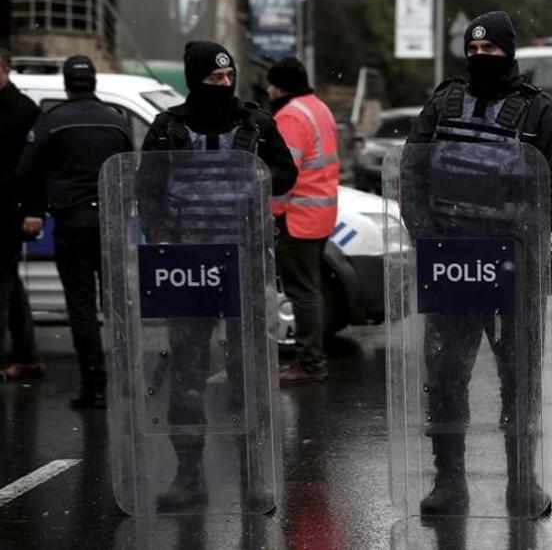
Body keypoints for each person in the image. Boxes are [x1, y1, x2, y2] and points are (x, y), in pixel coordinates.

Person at [406, 11, 552, 517]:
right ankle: (449, 484)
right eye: (473, 51)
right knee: (445, 378)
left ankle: (521, 484)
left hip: (513, 271)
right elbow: (412, 176)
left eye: (490, 51)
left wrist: (518, 238)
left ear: (510, 51)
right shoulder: (443, 105)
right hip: (451, 268)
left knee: (518, 381)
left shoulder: (542, 114)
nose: (481, 59)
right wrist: (431, 237)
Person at [140, 41, 297, 511]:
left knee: (247, 376)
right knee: (187, 374)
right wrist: (166, 242)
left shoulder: (255, 124)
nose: (223, 87)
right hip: (188, 269)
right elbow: (146, 193)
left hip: (242, 265)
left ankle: (253, 478)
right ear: (194, 80)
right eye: (213, 81)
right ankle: (189, 477)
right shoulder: (168, 128)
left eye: (229, 80)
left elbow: (287, 175)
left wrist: (258, 171)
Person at [18, 56, 133, 408]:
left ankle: (95, 387)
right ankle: (127, 386)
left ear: (66, 84)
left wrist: (41, 201)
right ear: (94, 81)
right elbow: (131, 170)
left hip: (71, 224)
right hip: (110, 225)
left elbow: (25, 170)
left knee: (82, 309)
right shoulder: (117, 121)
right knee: (116, 306)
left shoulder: (52, 122)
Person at [267, 57, 339, 384]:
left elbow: (285, 175)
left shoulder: (291, 116)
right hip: (320, 214)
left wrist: (272, 210)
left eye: (271, 84)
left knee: (303, 292)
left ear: (278, 86)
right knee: (310, 290)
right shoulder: (318, 107)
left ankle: (310, 364)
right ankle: (311, 360)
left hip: (298, 217)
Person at [0, 48, 42, 381]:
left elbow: (35, 167)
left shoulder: (24, 110)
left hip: (8, 213)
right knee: (10, 286)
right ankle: (26, 355)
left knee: (3, 285)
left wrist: (32, 210)